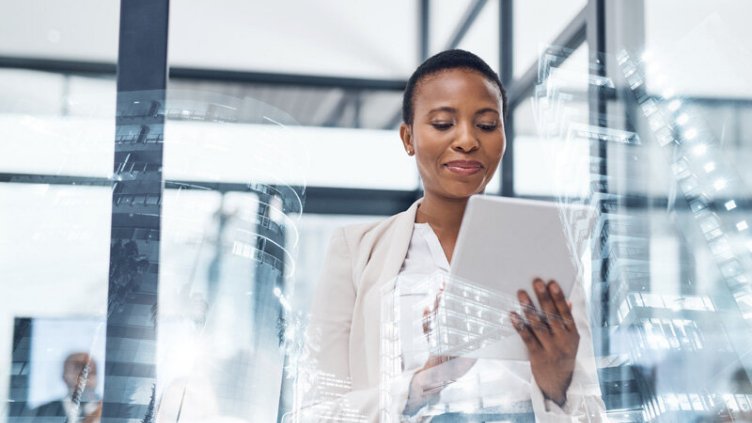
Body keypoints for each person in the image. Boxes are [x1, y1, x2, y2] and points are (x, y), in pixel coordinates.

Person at [301, 49, 605, 422]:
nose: (467, 140)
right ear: (408, 137)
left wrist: (556, 386)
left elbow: (592, 412)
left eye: (487, 125)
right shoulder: (356, 250)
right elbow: (314, 413)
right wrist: (423, 383)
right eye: (444, 123)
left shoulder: (547, 253)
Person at [27, 352, 102, 422]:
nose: (84, 377)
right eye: (77, 369)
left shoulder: (109, 410)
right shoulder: (42, 412)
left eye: (92, 372)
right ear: (64, 376)